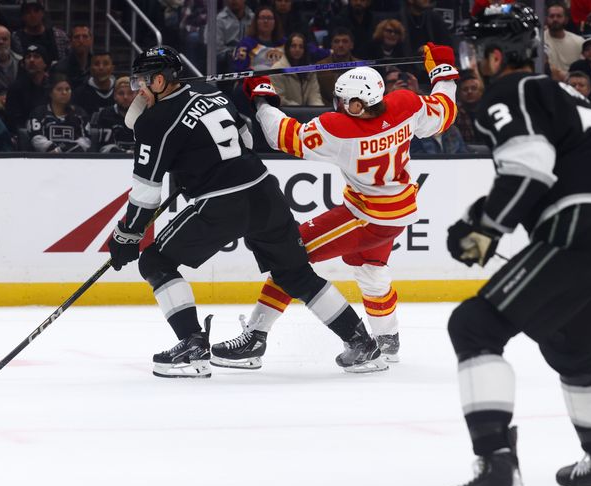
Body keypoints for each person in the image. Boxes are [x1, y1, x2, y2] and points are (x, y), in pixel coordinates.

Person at [435, 5, 591, 486]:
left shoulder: (509, 92)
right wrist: (478, 221)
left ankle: (496, 475)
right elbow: (554, 163)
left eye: (476, 55)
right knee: (570, 345)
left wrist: (482, 229)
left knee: (474, 325)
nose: (473, 66)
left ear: (493, 55)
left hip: (582, 217)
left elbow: (530, 170)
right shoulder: (566, 93)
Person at [108, 46, 385, 378]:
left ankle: (192, 347)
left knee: (155, 261)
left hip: (222, 203)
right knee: (295, 274)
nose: (138, 89)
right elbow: (246, 139)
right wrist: (197, 162)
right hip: (265, 192)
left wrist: (127, 234)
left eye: (141, 82)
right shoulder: (210, 92)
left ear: (158, 80)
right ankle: (362, 344)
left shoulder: (154, 122)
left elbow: (145, 193)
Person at [210, 43, 459, 369]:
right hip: (400, 210)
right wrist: (443, 70)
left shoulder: (339, 129)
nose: (340, 105)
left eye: (345, 101)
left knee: (288, 255)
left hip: (366, 216)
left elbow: (282, 136)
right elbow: (444, 110)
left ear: (359, 103)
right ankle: (388, 340)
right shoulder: (405, 104)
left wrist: (262, 99)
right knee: (371, 269)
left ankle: (256, 338)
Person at [28, 74, 90, 153]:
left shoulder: (80, 114)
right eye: (59, 89)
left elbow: (85, 141)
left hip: (74, 159)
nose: (64, 93)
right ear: (50, 93)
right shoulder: (39, 113)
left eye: (67, 89)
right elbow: (37, 140)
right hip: (46, 159)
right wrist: (57, 151)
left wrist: (60, 150)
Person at [269, 33, 324, 106]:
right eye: (293, 46)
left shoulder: (310, 71)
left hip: (306, 113)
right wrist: (299, 110)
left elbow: (314, 97)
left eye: (301, 47)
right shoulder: (277, 70)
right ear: (287, 48)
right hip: (284, 113)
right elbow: (280, 99)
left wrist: (319, 113)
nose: (297, 49)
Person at [5, 44, 50, 130]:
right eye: (28, 57)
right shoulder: (15, 89)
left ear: (45, 63)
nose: (31, 60)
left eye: (37, 57)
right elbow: (14, 121)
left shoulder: (53, 87)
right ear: (23, 63)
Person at [232, 5, 285, 72]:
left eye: (269, 18)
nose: (266, 21)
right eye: (262, 18)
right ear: (256, 21)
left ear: (275, 22)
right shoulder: (245, 44)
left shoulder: (285, 43)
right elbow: (240, 70)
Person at [90, 76, 135, 153]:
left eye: (130, 93)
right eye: (121, 93)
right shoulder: (104, 115)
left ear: (136, 95)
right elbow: (102, 147)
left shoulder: (144, 115)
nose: (125, 97)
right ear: (114, 96)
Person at [316, 27, 359, 107]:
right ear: (331, 45)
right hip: (327, 109)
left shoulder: (361, 67)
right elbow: (317, 95)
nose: (340, 45)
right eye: (336, 41)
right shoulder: (320, 67)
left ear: (351, 45)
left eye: (345, 41)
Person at [545, 2, 585, 82]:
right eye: (552, 16)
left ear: (566, 20)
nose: (555, 19)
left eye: (559, 16)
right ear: (546, 19)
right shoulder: (538, 41)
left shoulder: (579, 42)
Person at [215, 0, 254, 73]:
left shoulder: (253, 18)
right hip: (227, 60)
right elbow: (217, 50)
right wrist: (235, 53)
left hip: (252, 56)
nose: (234, 1)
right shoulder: (219, 20)